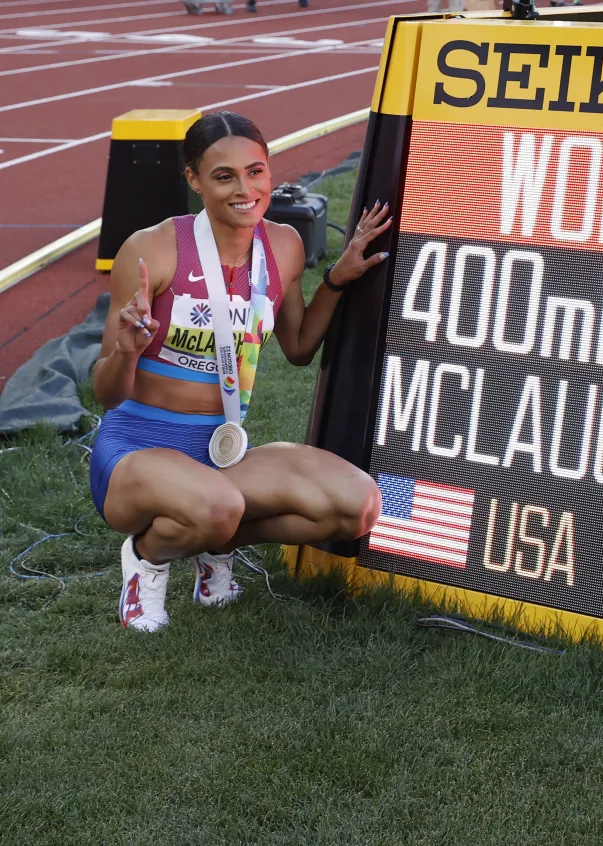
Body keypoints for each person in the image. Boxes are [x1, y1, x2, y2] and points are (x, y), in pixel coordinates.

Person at [91, 111, 391, 632]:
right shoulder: (151, 249)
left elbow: (299, 348)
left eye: (255, 172)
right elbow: (106, 393)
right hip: (136, 451)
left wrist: (336, 280)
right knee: (220, 506)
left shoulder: (284, 246)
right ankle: (147, 559)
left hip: (219, 452)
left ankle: (213, 547)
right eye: (224, 176)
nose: (245, 190)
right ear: (194, 180)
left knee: (356, 506)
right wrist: (126, 351)